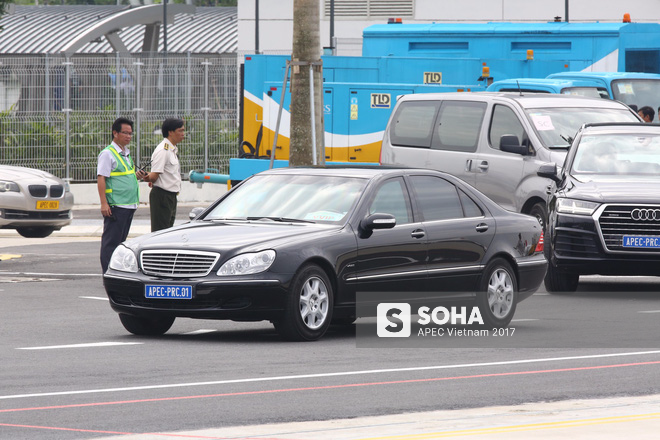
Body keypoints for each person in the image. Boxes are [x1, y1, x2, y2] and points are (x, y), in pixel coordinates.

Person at [97, 117, 146, 273]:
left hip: (129, 204)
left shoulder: (125, 153)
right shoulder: (107, 154)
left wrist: (136, 176)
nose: (128, 136)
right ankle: (108, 273)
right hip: (116, 205)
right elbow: (101, 178)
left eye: (130, 133)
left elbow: (123, 175)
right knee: (111, 243)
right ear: (115, 133)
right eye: (125, 133)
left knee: (121, 243)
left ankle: (116, 273)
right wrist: (104, 203)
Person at [142, 118, 185, 232]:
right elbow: (154, 176)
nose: (183, 134)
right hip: (162, 196)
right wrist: (146, 177)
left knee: (167, 231)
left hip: (170, 196)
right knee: (160, 232)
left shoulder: (171, 149)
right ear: (170, 132)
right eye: (180, 131)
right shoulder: (163, 150)